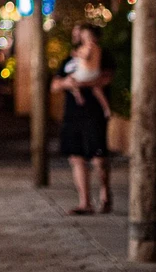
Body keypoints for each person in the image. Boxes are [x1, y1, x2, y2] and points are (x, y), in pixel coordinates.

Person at [52, 22, 115, 215]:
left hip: (93, 113)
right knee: (76, 156)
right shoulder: (69, 59)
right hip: (72, 113)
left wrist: (82, 83)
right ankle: (85, 201)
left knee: (98, 158)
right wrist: (66, 83)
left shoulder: (101, 54)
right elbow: (55, 84)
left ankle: (105, 192)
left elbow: (105, 78)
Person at [61, 26, 113, 119]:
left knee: (71, 78)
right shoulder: (97, 47)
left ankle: (78, 95)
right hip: (95, 74)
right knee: (97, 89)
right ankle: (106, 108)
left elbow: (86, 56)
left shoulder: (89, 46)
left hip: (86, 73)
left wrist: (77, 54)